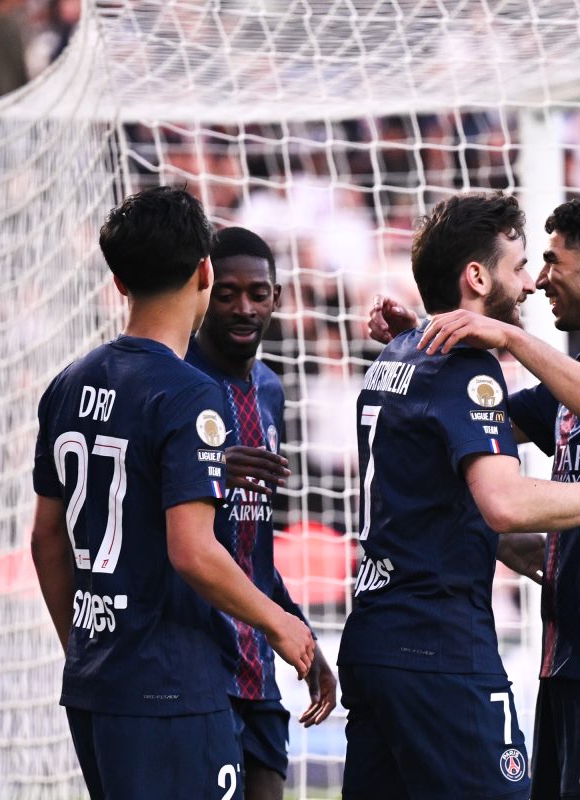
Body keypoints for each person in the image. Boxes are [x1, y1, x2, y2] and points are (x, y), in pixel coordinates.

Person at [340, 192, 580, 800]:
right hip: (440, 644)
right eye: (522, 266)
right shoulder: (462, 369)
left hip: (382, 639)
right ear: (476, 277)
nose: (531, 283)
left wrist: (422, 341)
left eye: (545, 264)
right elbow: (503, 502)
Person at [30, 187, 315, 800]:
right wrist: (280, 624)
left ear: (118, 282)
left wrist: (84, 648)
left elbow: (45, 538)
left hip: (97, 685)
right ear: (204, 272)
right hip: (173, 686)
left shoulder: (66, 384)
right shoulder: (189, 394)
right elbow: (192, 550)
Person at [185, 226, 337, 800]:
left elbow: (253, 548)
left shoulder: (270, 390)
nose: (243, 308)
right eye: (226, 294)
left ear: (277, 297)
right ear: (204, 293)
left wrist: (300, 636)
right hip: (195, 665)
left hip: (257, 665)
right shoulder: (177, 382)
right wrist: (207, 466)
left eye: (257, 293)